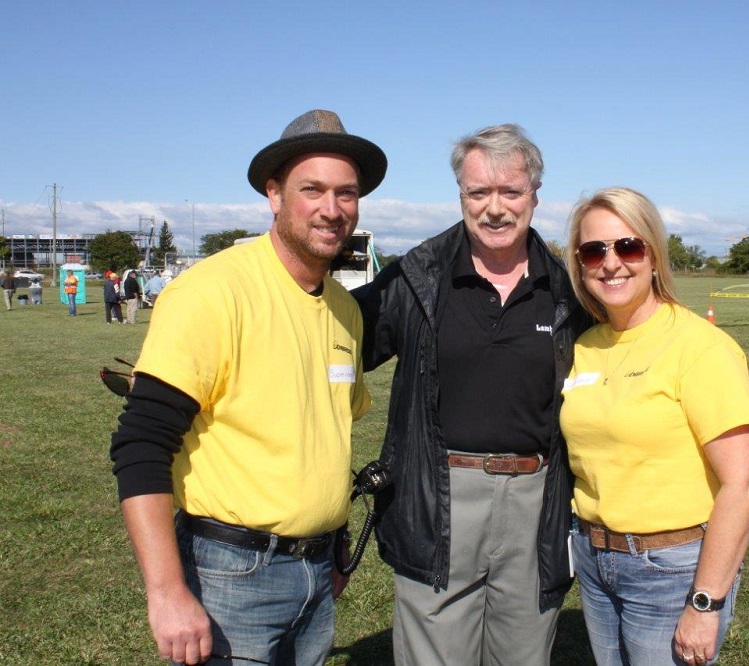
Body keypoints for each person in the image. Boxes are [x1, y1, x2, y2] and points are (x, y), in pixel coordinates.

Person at [109, 108, 386, 665]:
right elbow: (139, 446)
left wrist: (330, 547)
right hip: (230, 576)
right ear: (274, 193)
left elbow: (322, 442)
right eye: (313, 189)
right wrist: (165, 594)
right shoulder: (213, 292)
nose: (332, 210)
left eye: (346, 193)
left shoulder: (344, 312)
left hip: (316, 576)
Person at [352, 124, 592, 665]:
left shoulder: (569, 290)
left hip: (537, 501)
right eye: (478, 192)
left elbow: (634, 345)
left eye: (511, 192)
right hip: (437, 496)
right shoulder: (415, 280)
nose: (495, 208)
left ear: (534, 195)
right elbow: (329, 338)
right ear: (460, 194)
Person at [560, 188, 749, 666]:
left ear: (653, 254)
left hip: (672, 568)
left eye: (628, 247)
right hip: (594, 560)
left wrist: (705, 602)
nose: (611, 264)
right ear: (580, 263)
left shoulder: (700, 346)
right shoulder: (585, 344)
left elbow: (746, 480)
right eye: (594, 251)